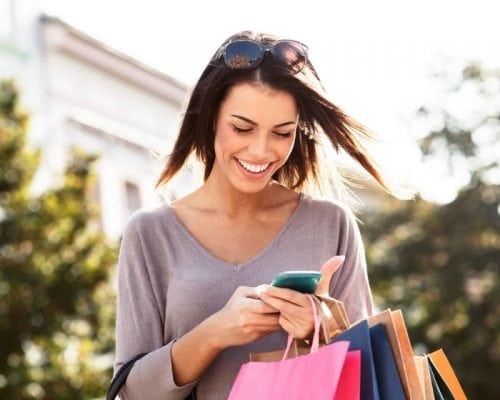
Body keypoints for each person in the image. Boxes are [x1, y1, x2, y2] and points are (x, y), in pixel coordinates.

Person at [113, 30, 393, 400]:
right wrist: (215, 333)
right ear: (211, 118)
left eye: (282, 132)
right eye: (242, 128)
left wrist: (323, 328)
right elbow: (134, 394)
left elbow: (368, 379)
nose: (261, 151)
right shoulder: (151, 234)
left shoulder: (330, 224)